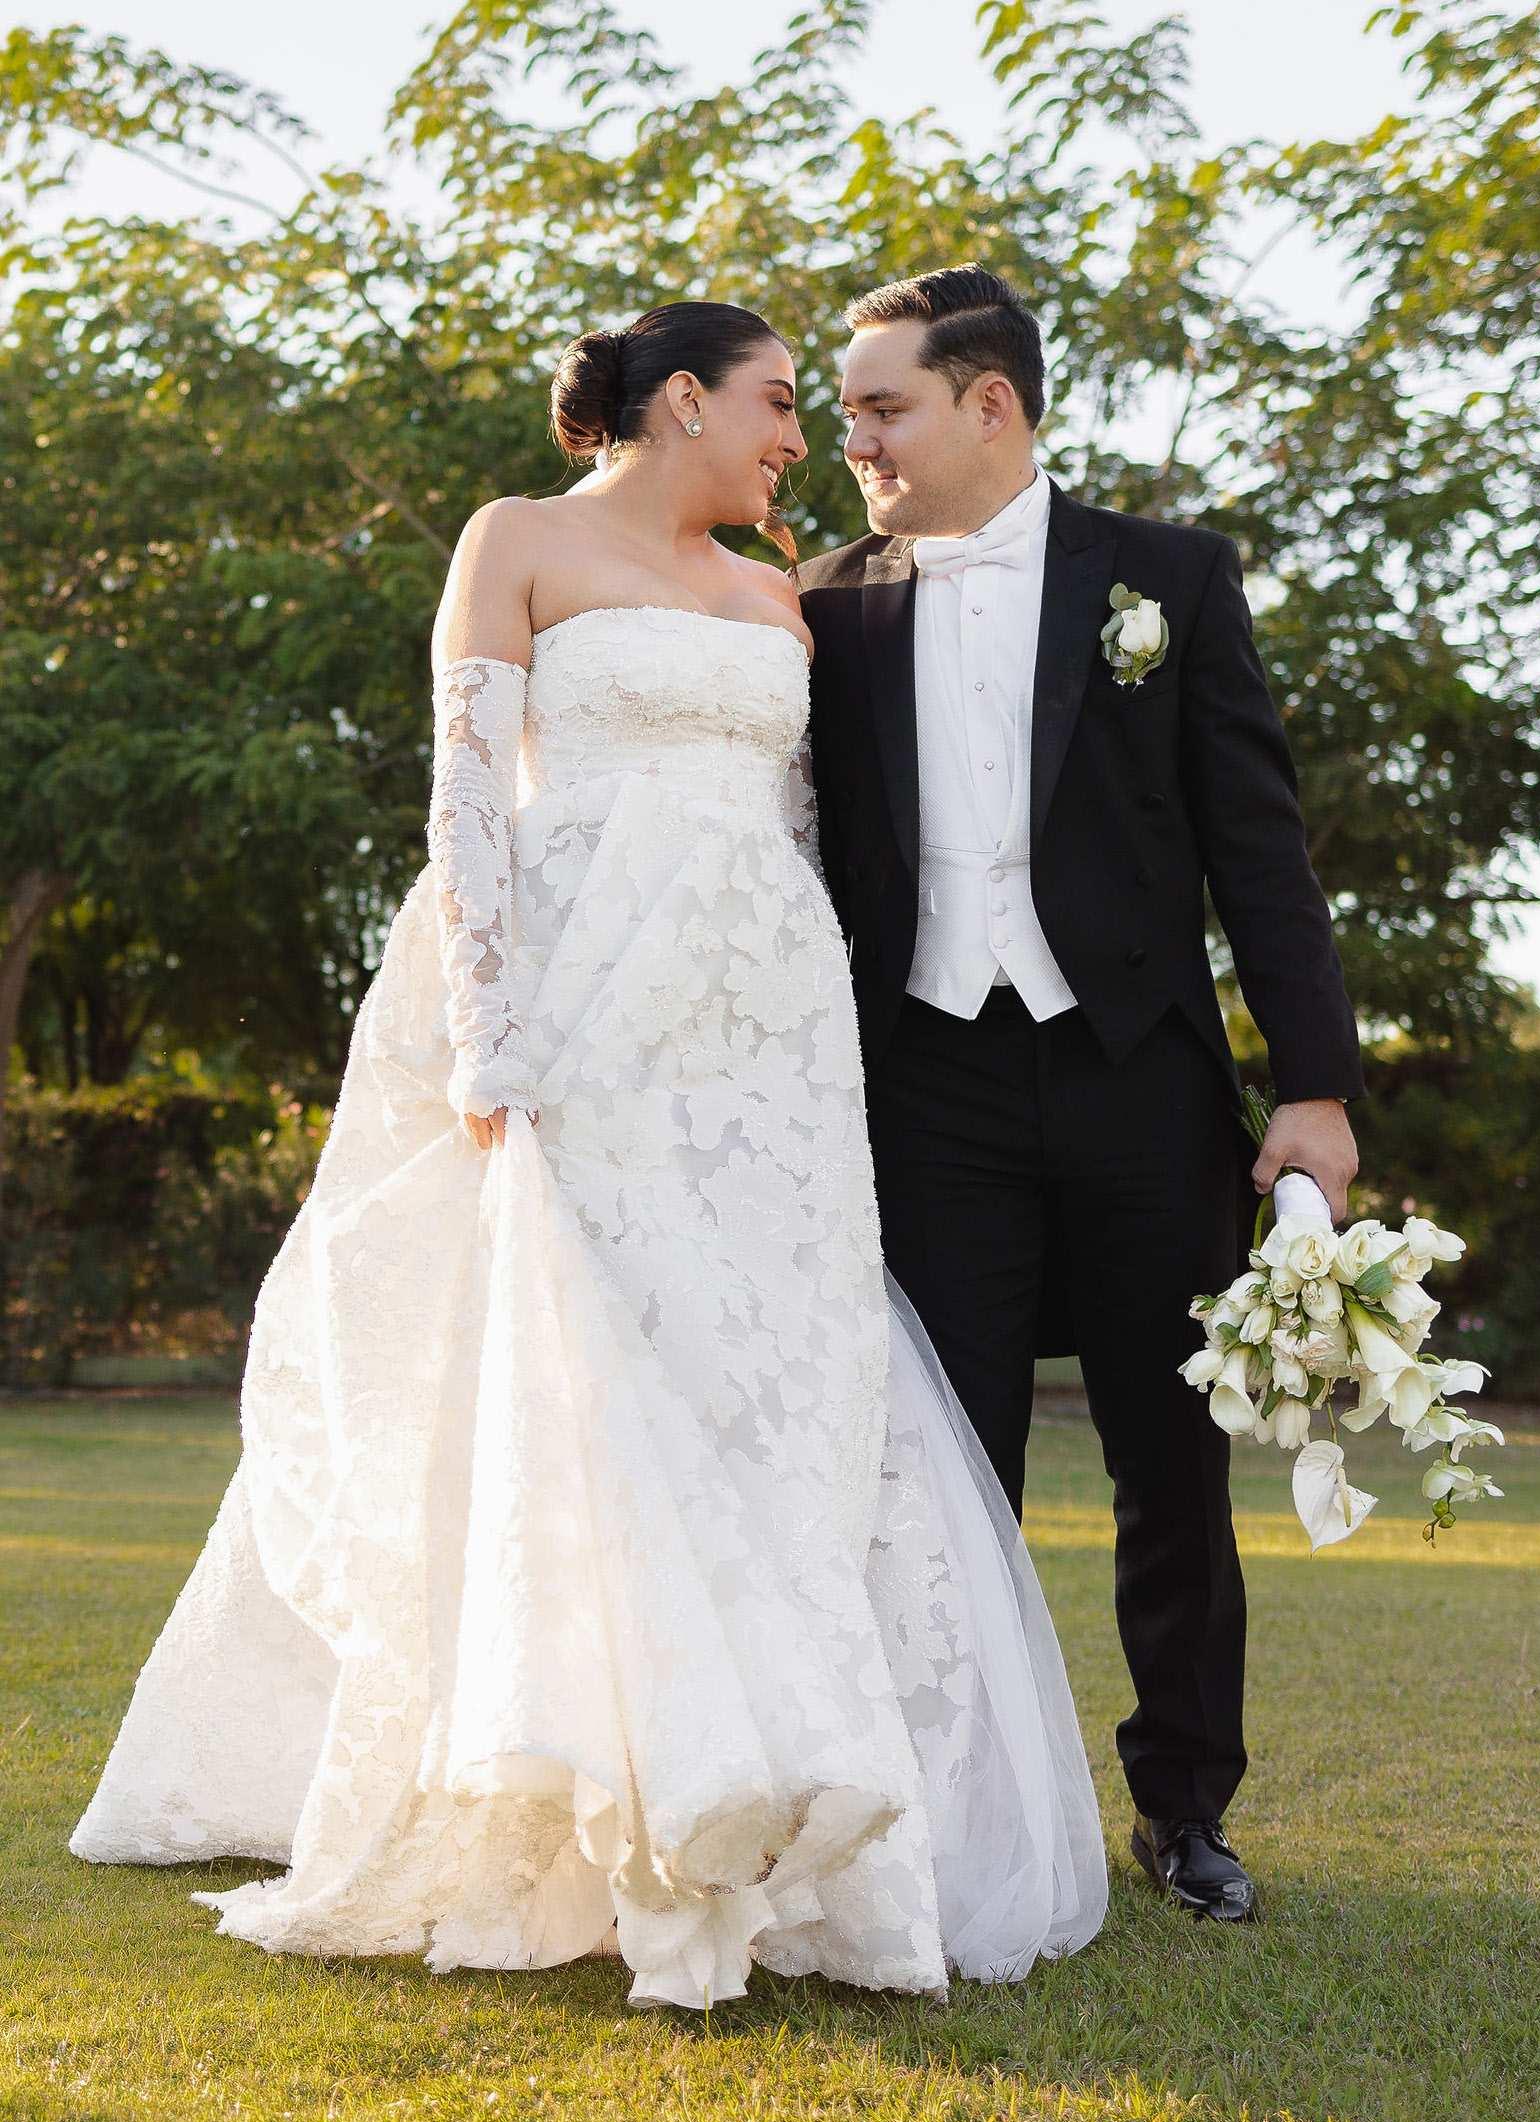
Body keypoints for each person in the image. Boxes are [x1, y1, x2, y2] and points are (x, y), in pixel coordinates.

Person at [67, 300, 1107, 2009]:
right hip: (581, 991)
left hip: (761, 1038)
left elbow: (804, 839)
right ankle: (607, 1772)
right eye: (781, 404)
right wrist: (488, 1024)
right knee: (587, 1354)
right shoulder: (518, 541)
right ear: (682, 399)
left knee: (763, 1372)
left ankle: (792, 1773)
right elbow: (468, 789)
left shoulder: (780, 594)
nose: (804, 441)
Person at [796, 264, 1365, 1925]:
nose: (854, 444)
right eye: (845, 416)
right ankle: (955, 1818)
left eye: (883, 409)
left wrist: (1316, 1087)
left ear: (992, 404)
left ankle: (1185, 1812)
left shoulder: (1168, 581)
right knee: (941, 1474)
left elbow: (1260, 849)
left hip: (1140, 1086)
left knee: (1170, 1471)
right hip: (924, 1091)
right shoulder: (823, 604)